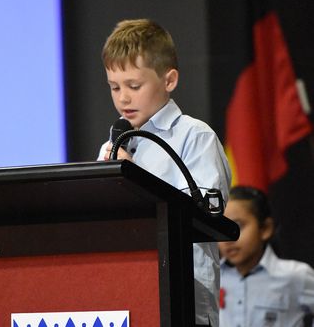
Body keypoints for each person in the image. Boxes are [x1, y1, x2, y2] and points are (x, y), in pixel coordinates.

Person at [97, 18, 231, 326]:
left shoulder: (194, 136)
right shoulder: (115, 143)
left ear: (169, 80)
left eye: (134, 86)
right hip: (126, 295)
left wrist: (135, 182)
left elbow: (205, 213)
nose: (123, 98)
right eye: (114, 87)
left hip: (183, 297)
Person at [219, 185, 314, 327]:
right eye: (220, 228)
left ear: (265, 228)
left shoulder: (296, 276)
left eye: (237, 226)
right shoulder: (213, 278)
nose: (228, 239)